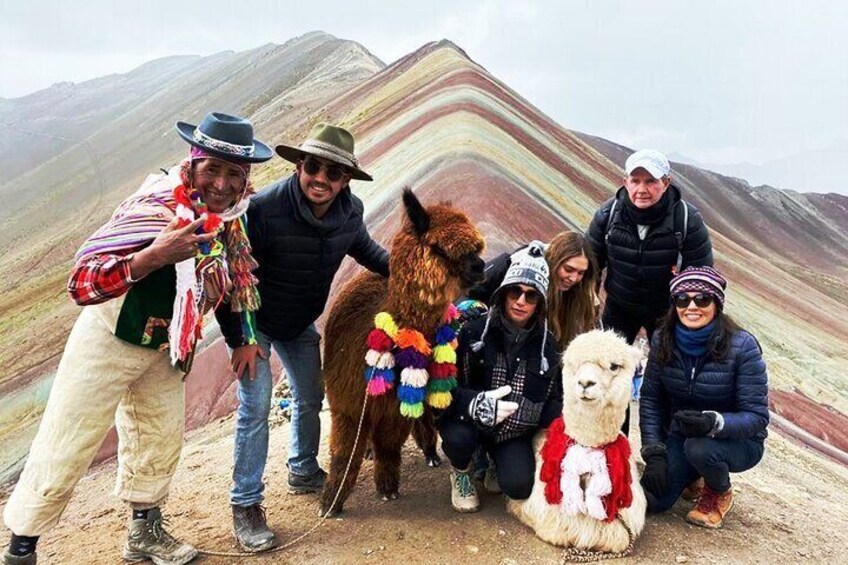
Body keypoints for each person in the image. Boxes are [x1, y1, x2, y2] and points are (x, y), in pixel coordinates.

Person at [2, 112, 272, 565]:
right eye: (213, 169)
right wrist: (152, 257)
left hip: (170, 347)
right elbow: (83, 283)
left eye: (234, 174)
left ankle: (144, 534)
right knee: (69, 436)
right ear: (193, 162)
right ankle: (21, 548)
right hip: (109, 337)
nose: (223, 184)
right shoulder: (155, 205)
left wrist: (243, 337)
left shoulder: (229, 221)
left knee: (159, 439)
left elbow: (237, 280)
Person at [216, 123, 389, 551]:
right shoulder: (263, 208)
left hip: (300, 324)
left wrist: (418, 272)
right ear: (300, 166)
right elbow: (231, 275)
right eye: (314, 167)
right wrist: (241, 337)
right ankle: (246, 505)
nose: (321, 179)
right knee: (255, 406)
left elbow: (369, 253)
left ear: (345, 179)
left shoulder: (350, 212)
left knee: (312, 395)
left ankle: (303, 468)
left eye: (334, 173)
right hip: (255, 324)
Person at [639, 266, 769, 529]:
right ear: (674, 304)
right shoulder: (662, 339)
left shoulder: (742, 347)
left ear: (717, 304)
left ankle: (718, 491)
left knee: (699, 448)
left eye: (702, 299)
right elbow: (651, 400)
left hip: (735, 442)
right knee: (650, 500)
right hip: (682, 436)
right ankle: (692, 475)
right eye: (682, 299)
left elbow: (757, 417)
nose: (692, 307)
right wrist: (654, 453)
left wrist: (714, 423)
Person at [438, 243, 562, 512]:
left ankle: (495, 460)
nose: (520, 301)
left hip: (512, 431)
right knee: (458, 438)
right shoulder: (471, 332)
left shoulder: (548, 348)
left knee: (518, 486)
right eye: (515, 291)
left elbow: (554, 398)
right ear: (504, 293)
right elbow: (444, 386)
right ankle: (461, 471)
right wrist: (474, 404)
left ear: (539, 303)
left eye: (530, 296)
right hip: (468, 421)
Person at [587, 149, 713, 344]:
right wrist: (588, 306)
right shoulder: (608, 215)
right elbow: (590, 265)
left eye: (651, 181)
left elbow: (701, 276)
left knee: (667, 367)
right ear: (625, 182)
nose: (641, 190)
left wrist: (692, 318)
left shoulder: (687, 220)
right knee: (607, 364)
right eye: (635, 181)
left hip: (667, 311)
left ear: (666, 183)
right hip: (620, 307)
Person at [467, 231, 598, 350]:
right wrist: (475, 309)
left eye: (581, 273)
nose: (573, 278)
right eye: (568, 269)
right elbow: (470, 290)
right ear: (555, 260)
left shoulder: (580, 291)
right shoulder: (514, 263)